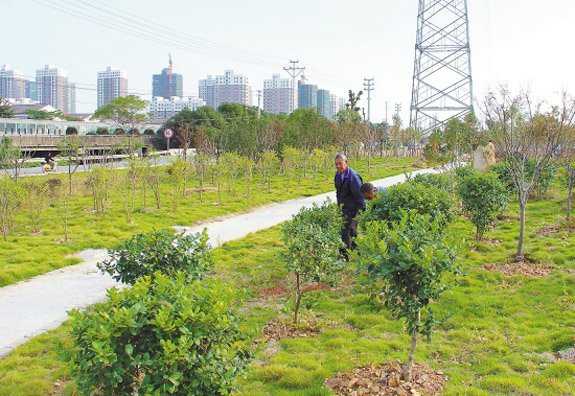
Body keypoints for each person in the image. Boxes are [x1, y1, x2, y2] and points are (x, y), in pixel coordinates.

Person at [334, 153, 365, 259]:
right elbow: (338, 192)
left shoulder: (353, 177)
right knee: (350, 232)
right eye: (336, 164)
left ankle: (344, 257)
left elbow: (360, 195)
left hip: (352, 209)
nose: (338, 166)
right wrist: (338, 205)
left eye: (340, 163)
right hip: (344, 208)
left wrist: (360, 211)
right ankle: (357, 254)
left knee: (346, 232)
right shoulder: (338, 175)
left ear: (346, 162)